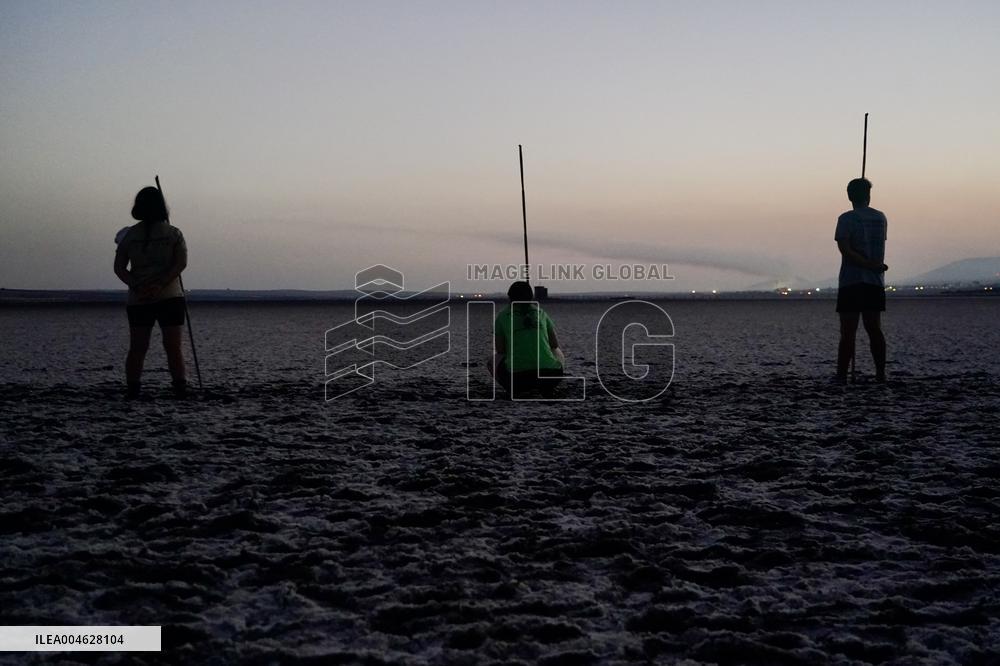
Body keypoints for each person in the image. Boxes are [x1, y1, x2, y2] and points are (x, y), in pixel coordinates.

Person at [114, 187, 189, 399]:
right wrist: (161, 284)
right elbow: (180, 264)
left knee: (138, 347)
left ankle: (133, 389)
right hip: (170, 296)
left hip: (139, 299)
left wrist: (137, 286)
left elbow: (119, 268)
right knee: (173, 347)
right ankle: (180, 388)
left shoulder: (129, 235)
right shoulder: (174, 233)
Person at [835, 178, 888, 383]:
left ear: (849, 196)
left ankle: (841, 376)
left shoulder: (846, 219)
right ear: (868, 195)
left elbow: (846, 250)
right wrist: (873, 266)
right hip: (874, 282)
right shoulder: (880, 218)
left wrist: (866, 265)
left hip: (852, 281)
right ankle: (880, 374)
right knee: (874, 328)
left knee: (848, 331)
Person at [489, 281, 565, 397]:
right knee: (557, 351)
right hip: (550, 375)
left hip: (518, 378)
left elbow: (500, 350)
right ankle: (547, 386)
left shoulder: (502, 316)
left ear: (510, 298)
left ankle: (512, 390)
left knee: (493, 361)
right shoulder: (541, 313)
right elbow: (554, 344)